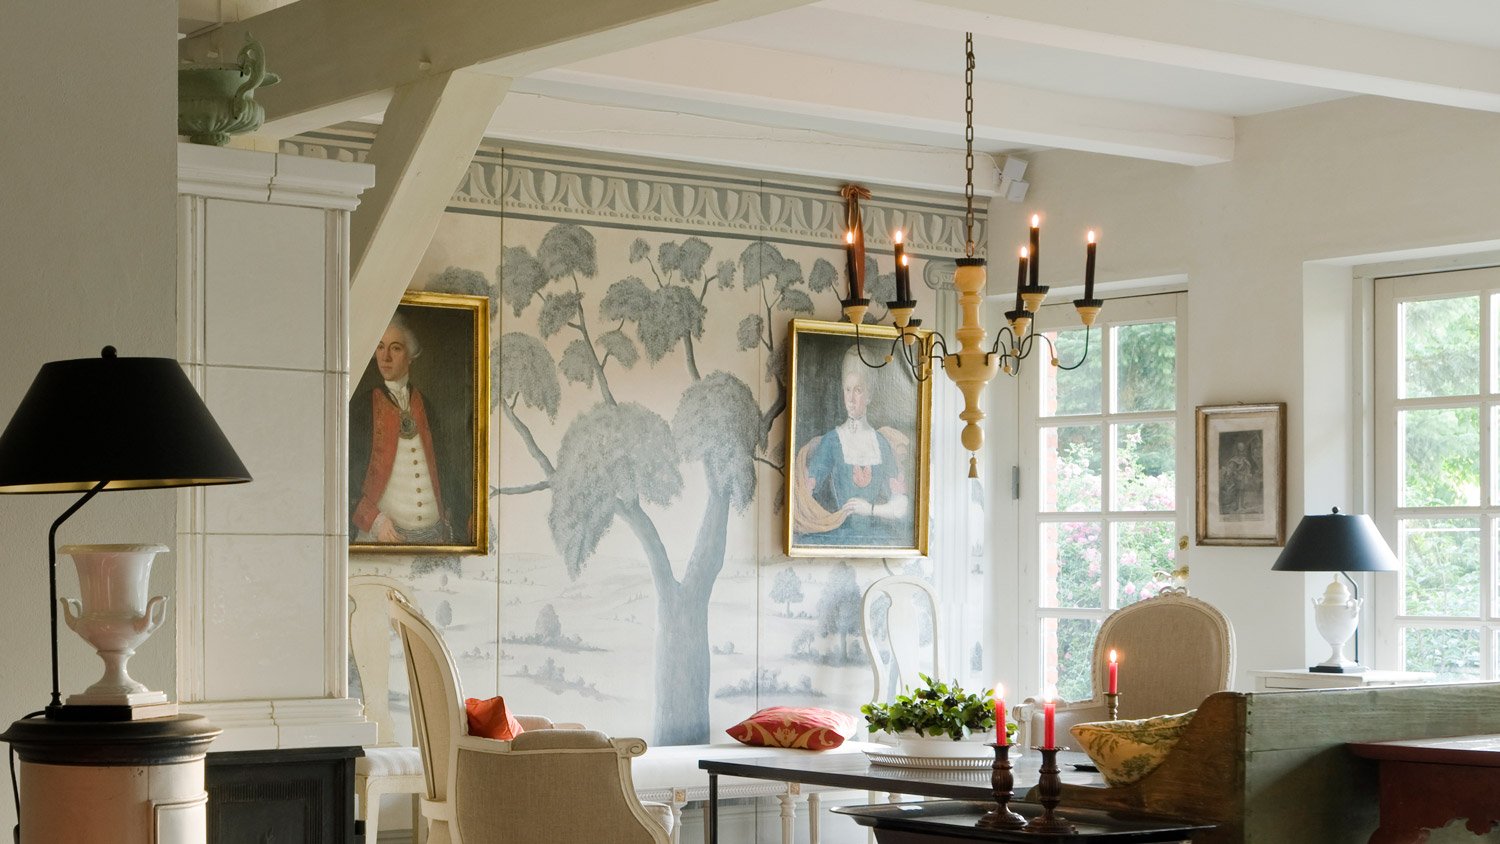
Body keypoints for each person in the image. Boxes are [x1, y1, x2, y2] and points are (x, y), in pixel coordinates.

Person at [349, 314, 457, 545]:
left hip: (433, 539)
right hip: (381, 538)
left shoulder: (425, 405)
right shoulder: (362, 407)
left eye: (395, 348)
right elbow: (346, 477)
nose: (385, 357)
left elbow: (445, 468)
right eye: (380, 348)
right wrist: (376, 521)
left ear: (410, 356)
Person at [793, 348, 911, 546]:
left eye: (858, 390)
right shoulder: (832, 441)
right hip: (838, 537)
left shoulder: (882, 444)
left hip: (876, 540)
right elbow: (805, 495)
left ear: (869, 396)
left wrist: (870, 509)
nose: (851, 398)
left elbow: (901, 506)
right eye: (847, 389)